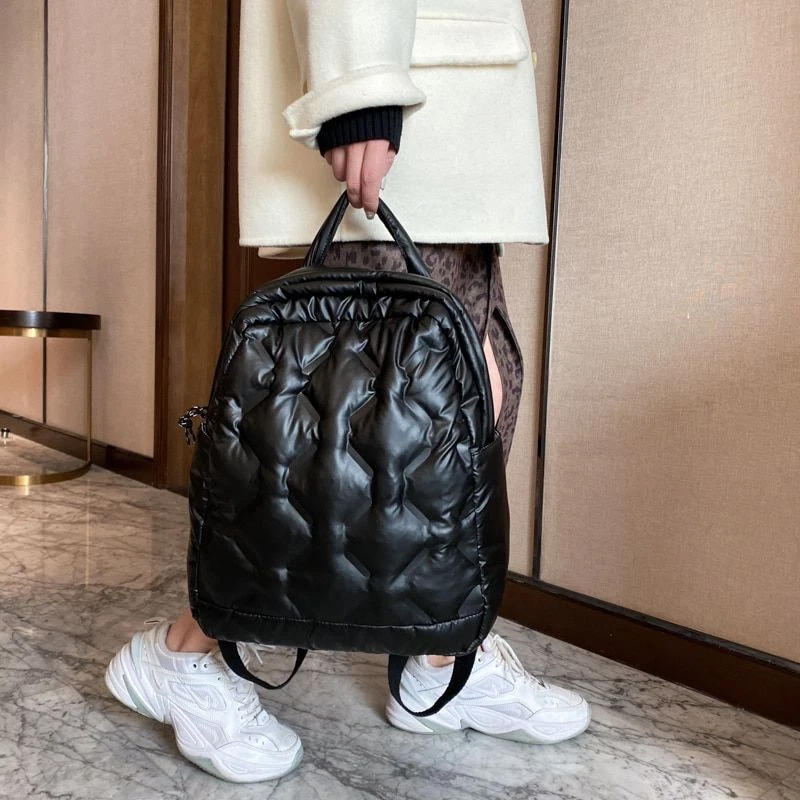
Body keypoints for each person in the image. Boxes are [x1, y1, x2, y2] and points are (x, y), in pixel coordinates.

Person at [105, 0, 591, 783]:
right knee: (364, 414)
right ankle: (181, 654)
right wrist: (359, 79)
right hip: (396, 73)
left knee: (478, 378)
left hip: (452, 88)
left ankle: (439, 656)